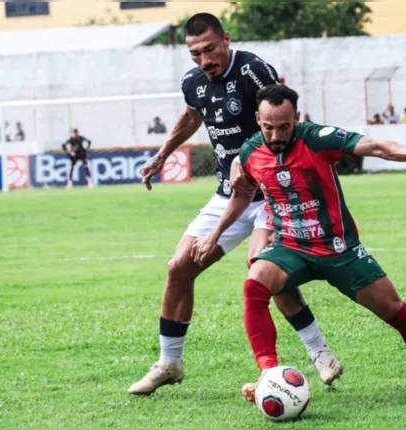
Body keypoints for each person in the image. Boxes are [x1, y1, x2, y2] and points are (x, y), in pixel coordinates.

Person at [191, 85, 406, 402]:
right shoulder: (251, 151)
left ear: (296, 117)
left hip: (339, 249)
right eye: (268, 127)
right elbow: (240, 196)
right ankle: (269, 374)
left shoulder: (318, 138)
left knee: (395, 311)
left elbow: (375, 147)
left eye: (284, 126)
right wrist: (213, 235)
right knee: (256, 282)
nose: (276, 134)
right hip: (289, 247)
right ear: (258, 119)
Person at [129, 13, 342, 396]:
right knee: (179, 267)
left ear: (225, 39)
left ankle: (319, 353)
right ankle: (169, 363)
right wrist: (163, 153)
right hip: (230, 193)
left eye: (210, 49)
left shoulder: (252, 70)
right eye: (195, 54)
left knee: (261, 266)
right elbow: (193, 115)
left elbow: (282, 115)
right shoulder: (193, 82)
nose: (204, 60)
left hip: (273, 192)